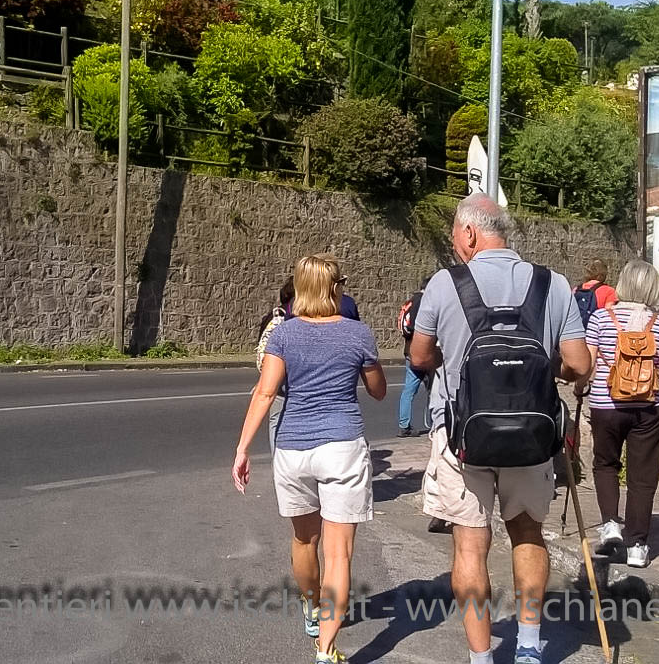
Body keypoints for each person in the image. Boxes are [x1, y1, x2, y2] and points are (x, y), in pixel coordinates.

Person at [409, 194, 591, 664]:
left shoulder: (445, 284)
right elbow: (579, 363)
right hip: (532, 441)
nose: (454, 244)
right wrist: (547, 374)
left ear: (470, 233)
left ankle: (481, 657)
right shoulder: (553, 284)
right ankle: (529, 648)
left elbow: (419, 357)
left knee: (470, 547)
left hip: (461, 437)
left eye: (454, 233)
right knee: (529, 535)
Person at [233, 253, 387, 664]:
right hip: (342, 447)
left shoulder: (282, 335)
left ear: (300, 288)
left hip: (293, 449)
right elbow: (378, 391)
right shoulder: (358, 333)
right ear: (335, 289)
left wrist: (243, 448)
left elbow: (265, 393)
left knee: (304, 539)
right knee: (339, 555)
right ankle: (325, 651)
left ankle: (311, 606)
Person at [578, 260, 659, 569]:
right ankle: (637, 545)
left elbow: (588, 364)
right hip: (649, 407)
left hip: (607, 404)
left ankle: (610, 524)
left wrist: (580, 388)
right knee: (642, 477)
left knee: (605, 463)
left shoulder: (600, 318)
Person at [257, 278, 296, 449]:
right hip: (292, 379)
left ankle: (277, 466)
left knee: (275, 422)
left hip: (272, 376)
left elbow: (260, 344)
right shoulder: (296, 318)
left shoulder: (271, 316)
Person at [396, 278, 433, 438]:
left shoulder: (409, 302)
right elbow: (420, 327)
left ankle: (404, 424)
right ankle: (435, 424)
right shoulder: (422, 302)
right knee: (434, 390)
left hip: (409, 350)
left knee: (409, 390)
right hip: (423, 351)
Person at [572, 260, 618, 328]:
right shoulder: (609, 291)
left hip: (578, 330)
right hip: (596, 329)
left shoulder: (576, 290)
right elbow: (609, 314)